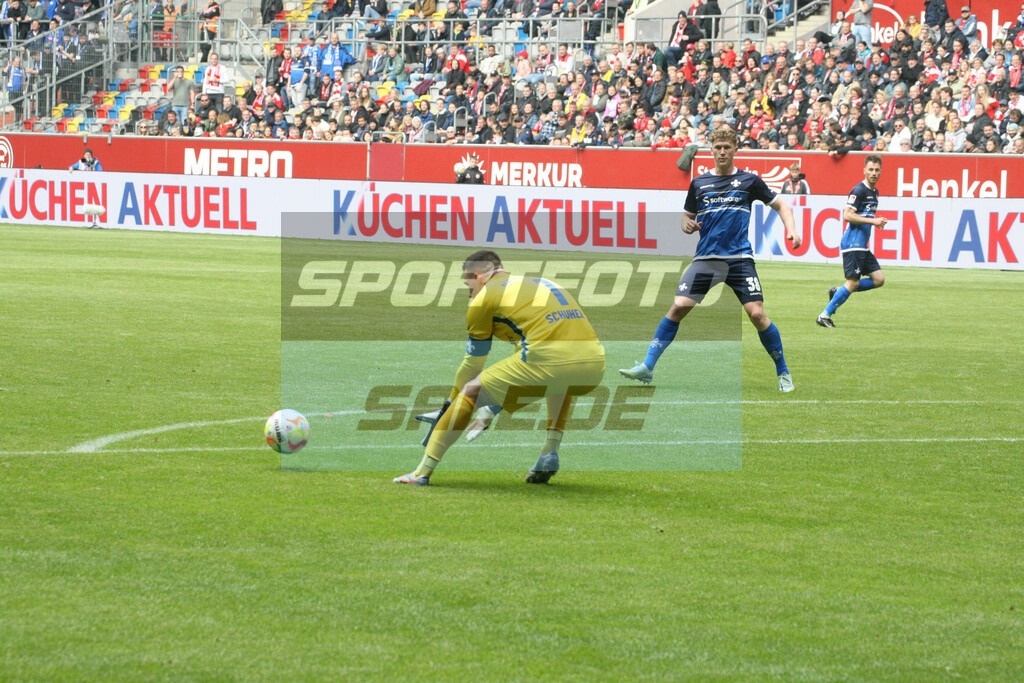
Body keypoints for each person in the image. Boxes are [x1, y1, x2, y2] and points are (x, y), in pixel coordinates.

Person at [393, 250, 607, 486]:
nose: (469, 292)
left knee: (472, 390)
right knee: (560, 378)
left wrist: (450, 404)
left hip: (549, 361)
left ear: (478, 276)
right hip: (594, 364)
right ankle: (549, 452)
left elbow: (472, 364)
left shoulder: (483, 299)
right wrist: (494, 405)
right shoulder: (541, 283)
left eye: (468, 284)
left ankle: (420, 473)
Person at [620, 127, 801, 393]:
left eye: (728, 147)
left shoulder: (750, 181)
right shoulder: (699, 183)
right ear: (712, 150)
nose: (723, 151)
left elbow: (782, 205)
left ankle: (783, 372)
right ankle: (647, 366)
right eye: (718, 147)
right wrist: (687, 225)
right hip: (706, 258)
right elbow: (686, 217)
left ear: (735, 149)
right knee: (679, 306)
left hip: (739, 259)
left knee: (758, 314)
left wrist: (792, 229)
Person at [817, 155, 886, 328]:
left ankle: (839, 292)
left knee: (879, 279)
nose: (874, 173)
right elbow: (847, 215)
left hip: (862, 247)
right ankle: (824, 315)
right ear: (864, 170)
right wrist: (873, 221)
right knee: (853, 282)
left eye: (877, 170)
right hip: (852, 245)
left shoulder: (874, 192)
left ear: (881, 172)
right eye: (870, 169)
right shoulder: (859, 190)